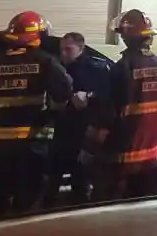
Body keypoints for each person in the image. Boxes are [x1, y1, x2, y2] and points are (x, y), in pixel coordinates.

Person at [0, 11, 72, 216]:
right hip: (30, 146)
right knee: (27, 207)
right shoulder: (45, 63)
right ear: (37, 36)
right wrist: (53, 111)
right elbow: (63, 92)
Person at [81, 10, 157, 201]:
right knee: (143, 208)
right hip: (148, 159)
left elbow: (105, 115)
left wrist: (89, 149)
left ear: (127, 38)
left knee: (110, 210)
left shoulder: (121, 69)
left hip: (119, 159)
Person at [44, 32, 110, 207]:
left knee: (80, 179)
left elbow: (107, 95)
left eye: (68, 49)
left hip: (83, 132)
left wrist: (89, 96)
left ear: (81, 48)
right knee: (51, 179)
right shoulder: (56, 67)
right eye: (62, 50)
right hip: (60, 130)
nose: (64, 54)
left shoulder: (95, 68)